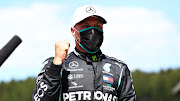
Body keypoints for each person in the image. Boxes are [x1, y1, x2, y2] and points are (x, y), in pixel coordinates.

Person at [32, 5, 136, 101]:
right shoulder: (56, 65)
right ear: (73, 31)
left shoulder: (119, 68)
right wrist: (56, 65)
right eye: (85, 26)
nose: (92, 31)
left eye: (97, 26)